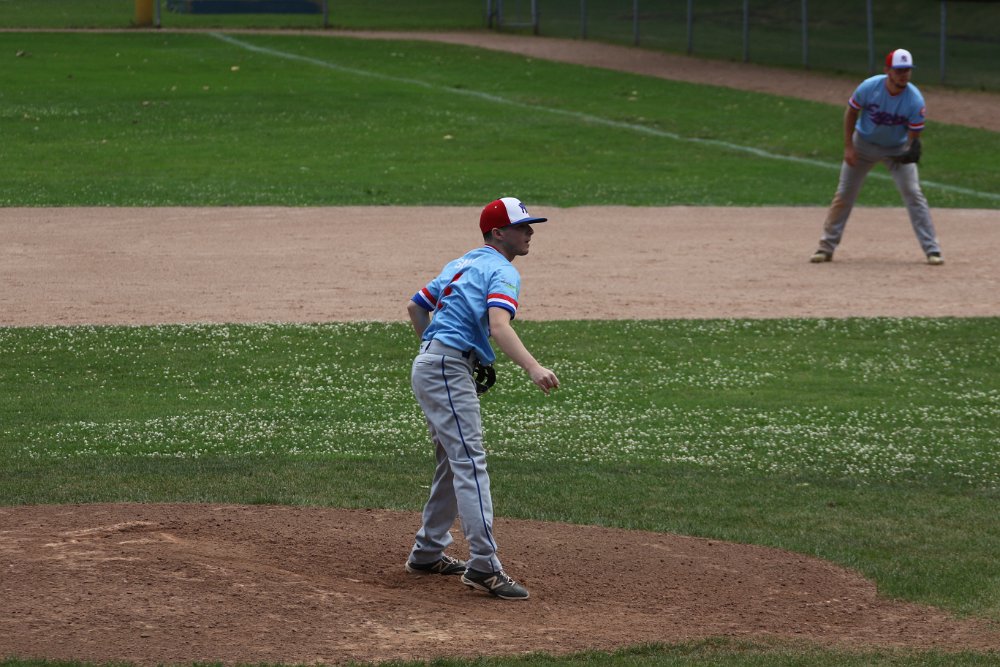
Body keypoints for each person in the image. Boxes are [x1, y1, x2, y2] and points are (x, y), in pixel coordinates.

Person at [404, 196, 559, 601]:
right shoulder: (502, 270)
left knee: (452, 461)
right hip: (446, 369)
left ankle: (427, 552)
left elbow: (416, 306)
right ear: (498, 233)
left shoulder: (462, 262)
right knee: (470, 463)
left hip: (431, 365)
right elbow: (499, 324)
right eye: (522, 226)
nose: (530, 232)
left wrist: (434, 349)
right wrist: (533, 367)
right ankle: (484, 566)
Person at [810, 48, 943, 265]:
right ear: (887, 70)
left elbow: (914, 132)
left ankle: (932, 250)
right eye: (899, 70)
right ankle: (825, 248)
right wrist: (848, 147)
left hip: (896, 150)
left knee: (913, 193)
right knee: (844, 194)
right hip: (863, 145)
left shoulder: (915, 100)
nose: (904, 74)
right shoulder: (869, 87)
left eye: (907, 70)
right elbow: (851, 112)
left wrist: (911, 147)